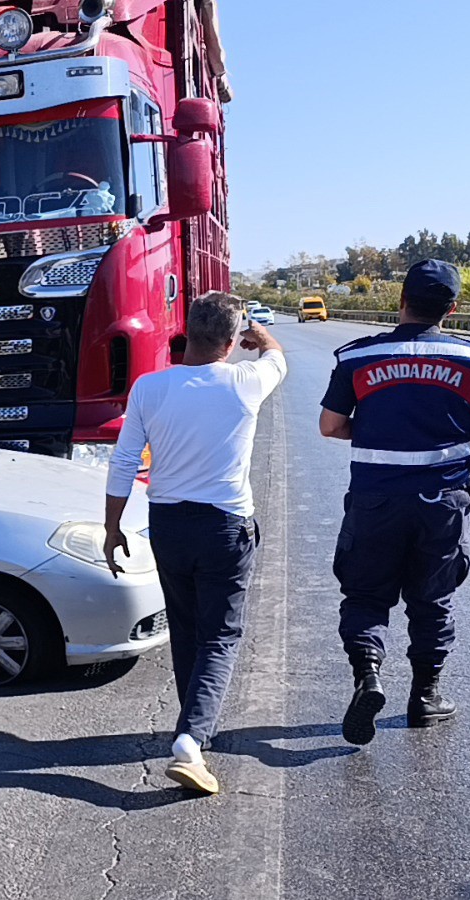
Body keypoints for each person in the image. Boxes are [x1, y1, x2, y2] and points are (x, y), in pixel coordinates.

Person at [320, 260, 470, 746]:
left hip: (375, 498)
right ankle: (425, 697)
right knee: (433, 597)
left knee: (365, 594)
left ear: (400, 302)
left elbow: (331, 425)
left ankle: (368, 677)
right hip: (442, 500)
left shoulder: (355, 358)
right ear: (452, 308)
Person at [104, 292, 287, 795]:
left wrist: (112, 526)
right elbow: (277, 358)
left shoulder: (149, 387)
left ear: (186, 332)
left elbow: (123, 462)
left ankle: (191, 729)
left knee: (186, 630)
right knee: (222, 635)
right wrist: (261, 334)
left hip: (168, 524)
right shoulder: (244, 382)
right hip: (225, 527)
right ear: (231, 342)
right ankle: (191, 740)